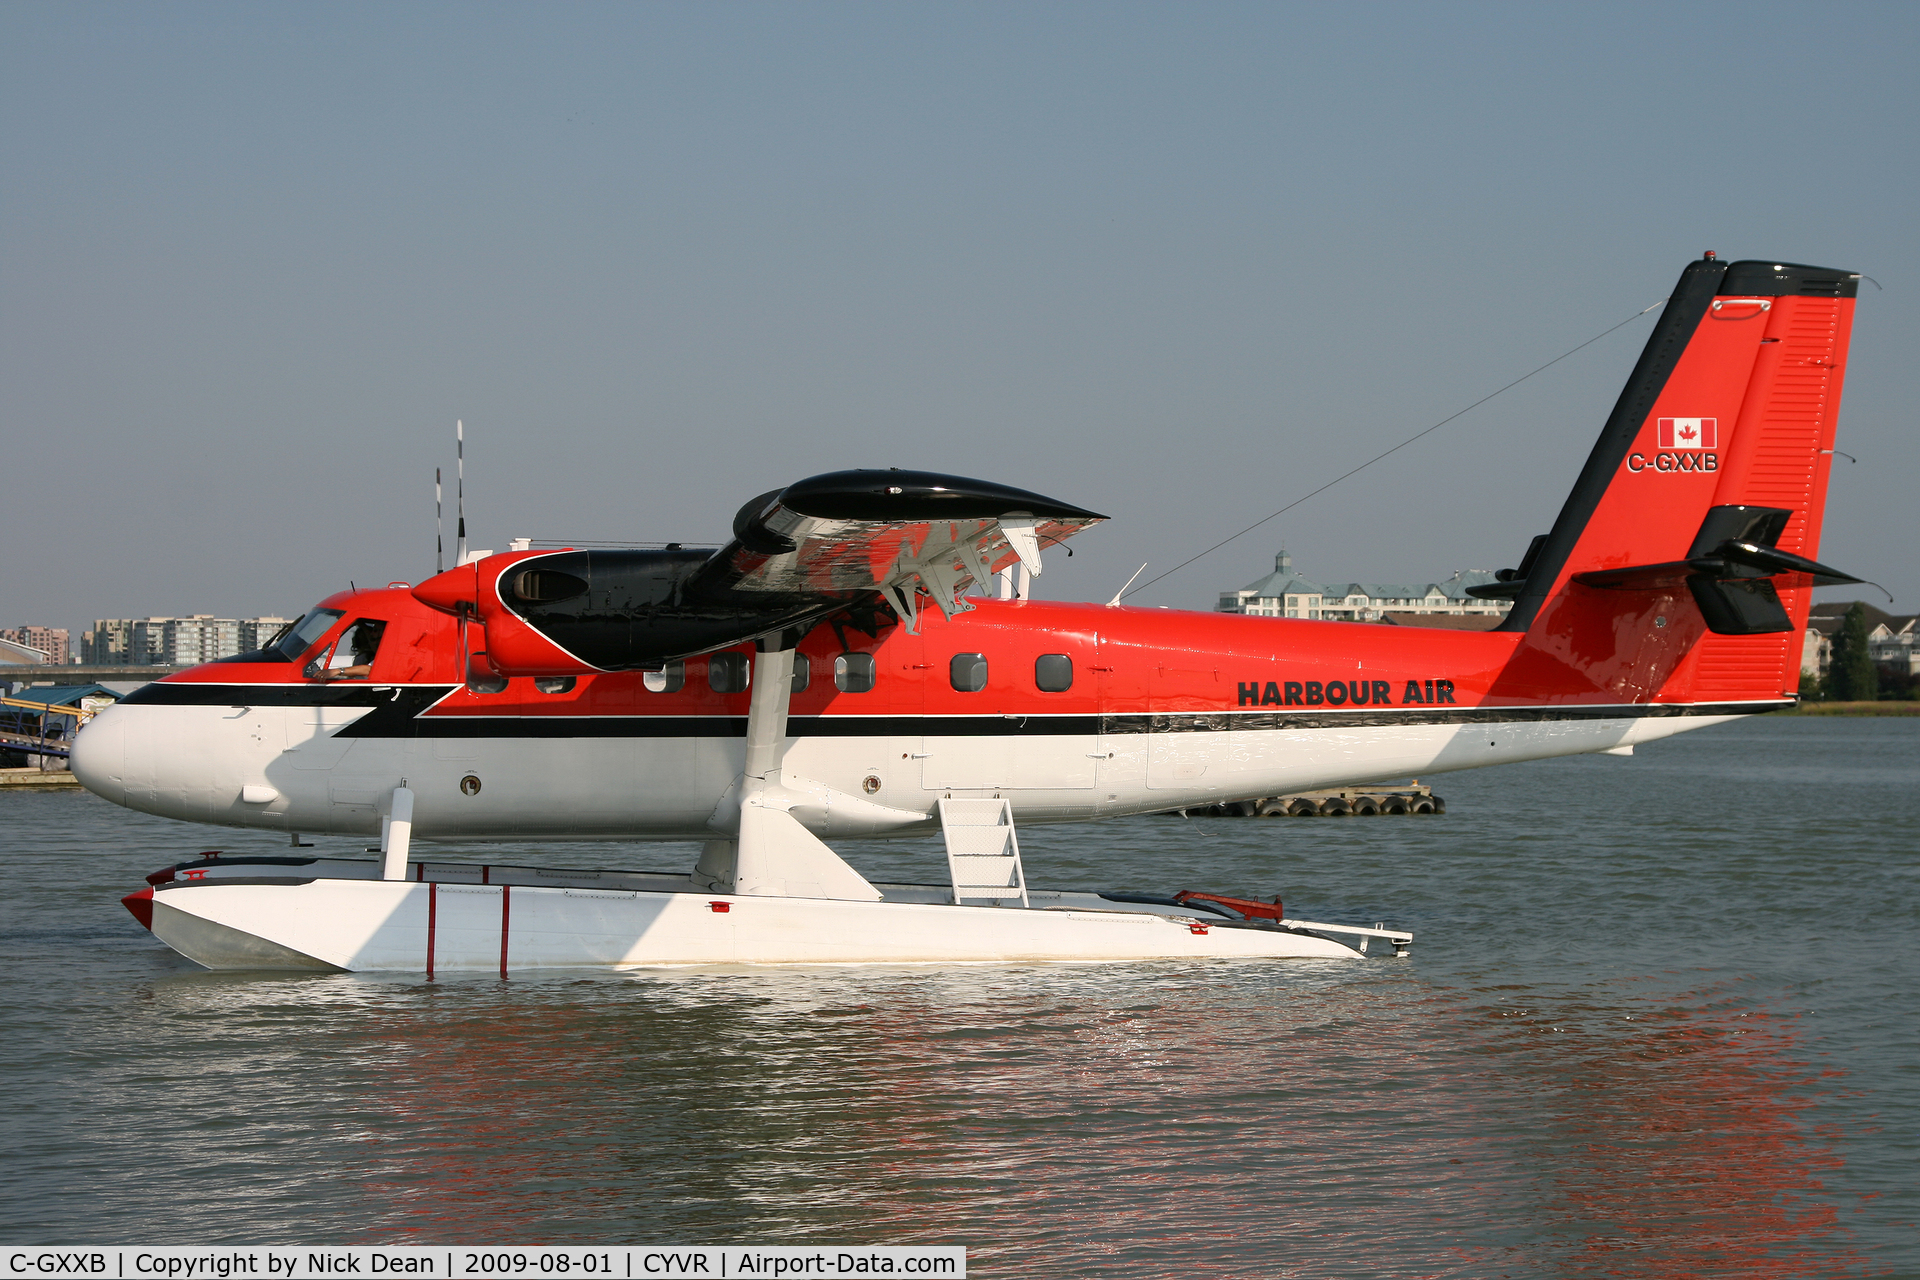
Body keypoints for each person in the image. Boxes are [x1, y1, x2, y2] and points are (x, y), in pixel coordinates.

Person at [311, 619, 385, 680]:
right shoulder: (364, 658)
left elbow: (371, 669)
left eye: (375, 630)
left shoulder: (385, 657)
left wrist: (338, 671)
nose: (371, 634)